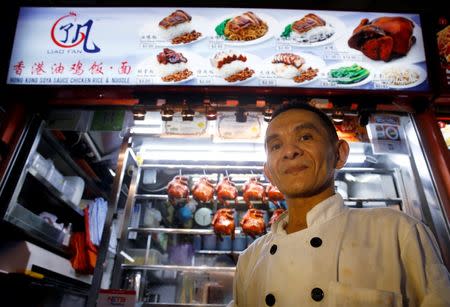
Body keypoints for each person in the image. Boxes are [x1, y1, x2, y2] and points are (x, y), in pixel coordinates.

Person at [228, 101, 450, 306]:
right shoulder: (250, 260)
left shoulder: (398, 232)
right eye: (276, 146)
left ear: (340, 154)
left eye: (305, 137)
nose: (289, 151)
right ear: (269, 173)